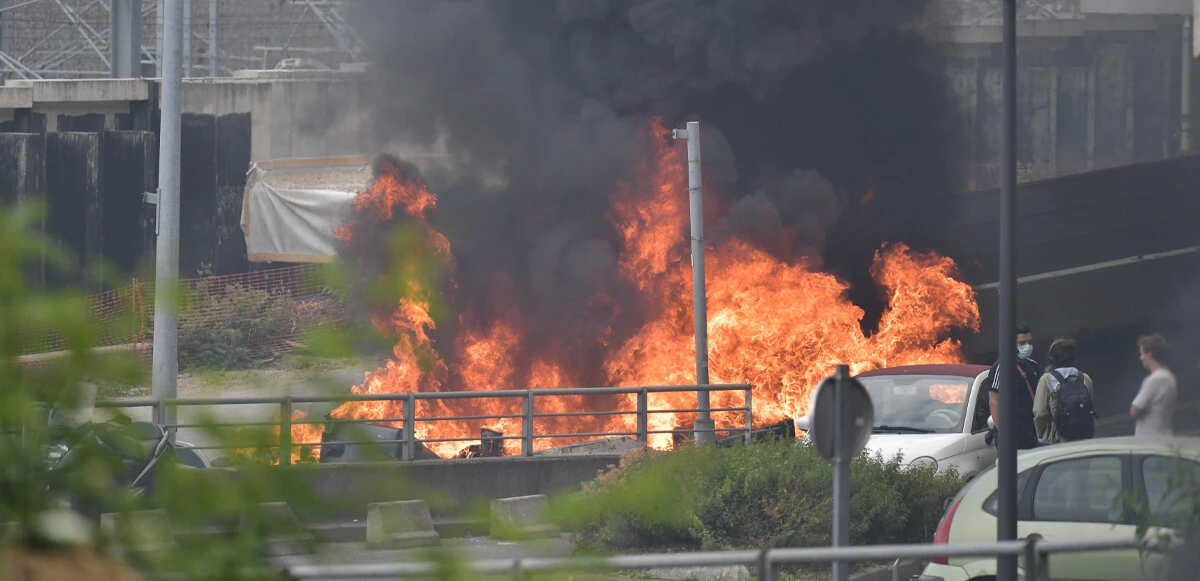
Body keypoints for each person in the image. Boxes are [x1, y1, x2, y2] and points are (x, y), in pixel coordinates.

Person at [985, 322, 1041, 450]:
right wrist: (1004, 434)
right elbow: (994, 401)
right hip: (1012, 435)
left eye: (1030, 342)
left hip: (1032, 432)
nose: (1027, 346)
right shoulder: (1002, 367)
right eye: (1022, 343)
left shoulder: (1033, 366)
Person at [1033, 338, 1095, 444]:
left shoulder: (1046, 379)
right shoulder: (1085, 378)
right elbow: (1090, 408)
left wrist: (1041, 435)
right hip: (1084, 437)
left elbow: (1040, 413)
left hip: (1058, 439)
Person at [1131, 333, 1177, 436]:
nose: (1141, 358)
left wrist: (1143, 409)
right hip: (1163, 436)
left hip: (1151, 441)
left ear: (1150, 355)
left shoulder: (1155, 380)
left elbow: (1134, 410)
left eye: (1142, 353)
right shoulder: (1169, 377)